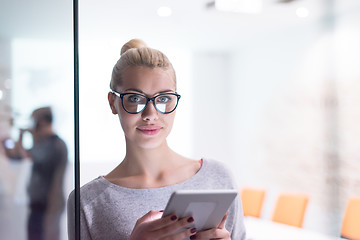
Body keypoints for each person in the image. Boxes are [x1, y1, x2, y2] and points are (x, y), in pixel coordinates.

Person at [67, 39, 246, 240]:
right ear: (113, 103)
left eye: (163, 99)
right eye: (135, 98)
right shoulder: (87, 202)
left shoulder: (217, 178)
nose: (150, 114)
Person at [3, 107, 68, 240]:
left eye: (33, 121)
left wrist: (25, 134)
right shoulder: (46, 144)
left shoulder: (55, 144)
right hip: (40, 206)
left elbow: (25, 154)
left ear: (41, 122)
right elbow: (16, 156)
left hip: (48, 206)